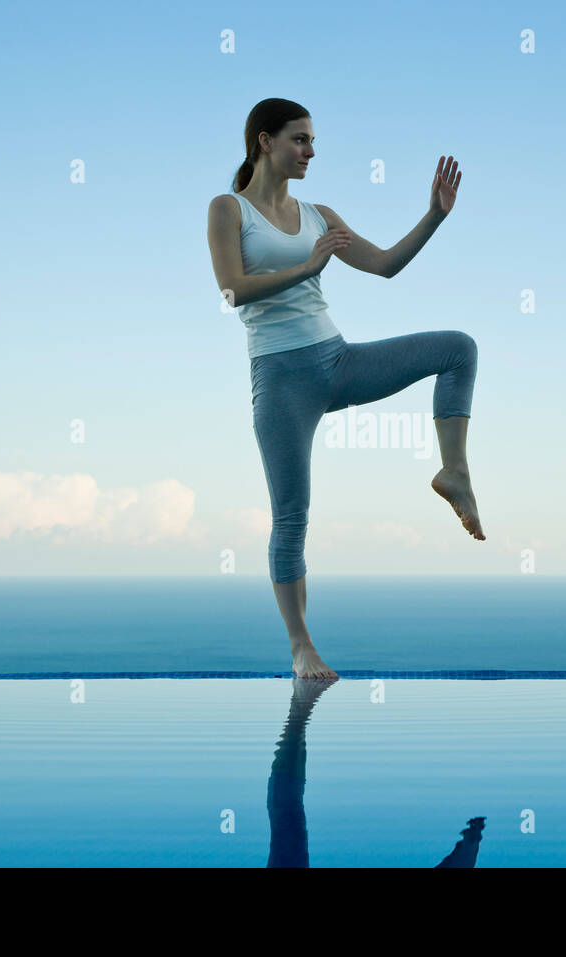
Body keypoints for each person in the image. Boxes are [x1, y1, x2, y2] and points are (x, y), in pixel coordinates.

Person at [206, 98, 483, 679]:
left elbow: (384, 265)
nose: (310, 152)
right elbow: (231, 291)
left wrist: (434, 215)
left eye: (312, 143)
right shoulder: (228, 209)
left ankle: (452, 472)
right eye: (300, 140)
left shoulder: (318, 213)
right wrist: (305, 269)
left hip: (337, 361)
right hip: (281, 380)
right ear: (264, 141)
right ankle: (302, 647)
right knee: (292, 516)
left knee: (458, 348)